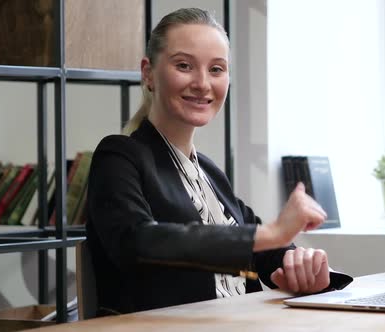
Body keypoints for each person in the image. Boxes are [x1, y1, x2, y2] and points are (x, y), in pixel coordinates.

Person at [86, 8, 351, 316]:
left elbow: (263, 250)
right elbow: (137, 241)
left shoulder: (208, 172)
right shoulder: (118, 156)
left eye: (216, 69)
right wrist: (270, 234)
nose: (202, 83)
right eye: (184, 65)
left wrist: (303, 266)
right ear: (148, 73)